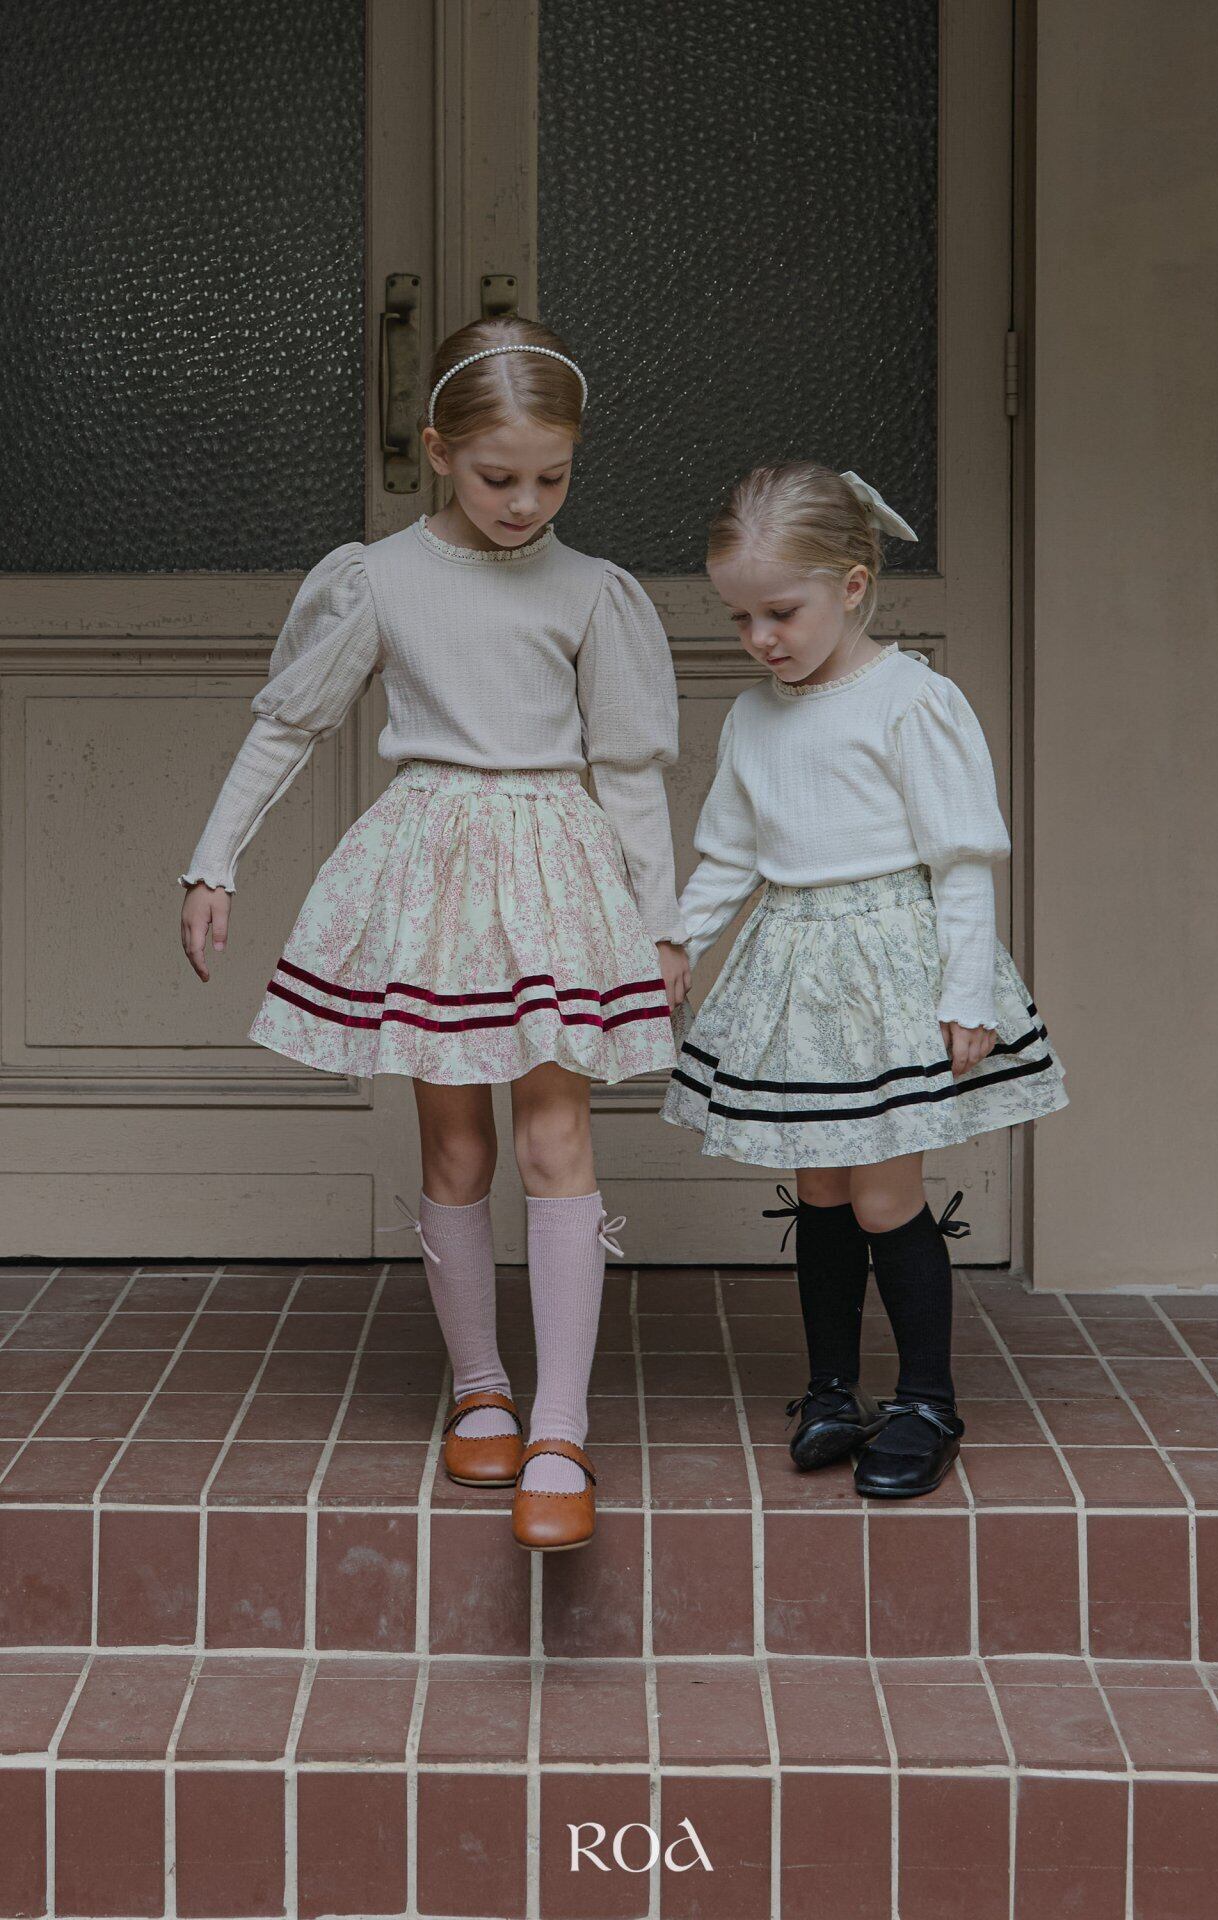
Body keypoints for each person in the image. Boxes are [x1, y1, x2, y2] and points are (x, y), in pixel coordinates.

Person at [180, 315, 690, 1550]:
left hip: (555, 874)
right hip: (434, 879)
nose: (525, 504)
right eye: (498, 476)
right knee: (456, 1146)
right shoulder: (380, 579)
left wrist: (661, 923)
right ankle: (481, 1389)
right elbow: (291, 722)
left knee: (557, 1136)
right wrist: (213, 858)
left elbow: (628, 769)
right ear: (438, 451)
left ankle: (559, 1427)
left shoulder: (592, 592)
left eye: (552, 479)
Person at [663, 462, 1066, 1497]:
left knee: (886, 1194)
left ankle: (925, 1399)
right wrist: (678, 941)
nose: (761, 637)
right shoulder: (753, 716)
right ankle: (831, 1391)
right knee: (821, 1186)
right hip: (796, 970)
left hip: (893, 972)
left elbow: (960, 861)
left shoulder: (912, 700)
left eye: (780, 612)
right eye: (741, 617)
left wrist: (964, 994)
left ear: (850, 586)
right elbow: (730, 852)